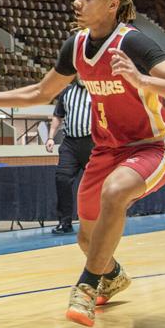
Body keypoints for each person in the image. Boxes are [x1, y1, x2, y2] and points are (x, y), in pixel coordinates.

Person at [0, 0, 165, 328]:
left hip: (149, 147)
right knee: (87, 239)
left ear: (113, 4)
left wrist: (140, 78)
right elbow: (40, 91)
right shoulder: (76, 45)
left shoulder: (132, 42)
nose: (77, 2)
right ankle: (112, 276)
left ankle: (85, 288)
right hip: (106, 151)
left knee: (115, 194)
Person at [46, 80, 93, 234]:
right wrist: (51, 137)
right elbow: (57, 115)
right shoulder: (67, 91)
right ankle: (64, 222)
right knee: (62, 179)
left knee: (97, 183)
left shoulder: (97, 90)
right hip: (70, 144)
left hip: (93, 142)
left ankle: (98, 219)